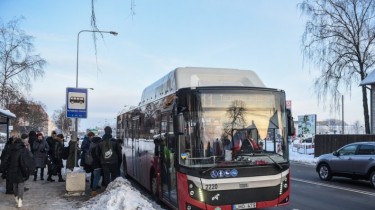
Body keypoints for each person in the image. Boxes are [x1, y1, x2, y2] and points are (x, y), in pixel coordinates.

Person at [4, 138, 31, 207]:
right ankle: (20, 200)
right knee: (21, 185)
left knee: (15, 185)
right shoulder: (24, 150)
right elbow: (28, 159)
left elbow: (6, 160)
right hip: (21, 169)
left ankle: (16, 197)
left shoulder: (10, 149)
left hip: (12, 169)